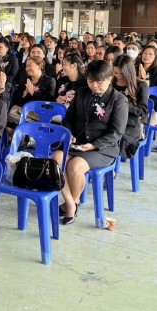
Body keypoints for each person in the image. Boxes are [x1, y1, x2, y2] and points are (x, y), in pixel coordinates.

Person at [55, 60, 128, 224]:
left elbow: (117, 132)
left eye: (99, 81)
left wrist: (94, 145)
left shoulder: (119, 100)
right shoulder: (81, 93)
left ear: (110, 78)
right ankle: (71, 202)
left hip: (102, 149)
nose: (94, 85)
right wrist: (69, 133)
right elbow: (69, 118)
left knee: (74, 166)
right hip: (79, 143)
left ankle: (72, 204)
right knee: (56, 160)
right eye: (90, 81)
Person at [111, 56, 149, 159]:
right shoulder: (111, 84)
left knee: (115, 138)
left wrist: (124, 104)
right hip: (112, 120)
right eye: (116, 73)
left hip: (131, 124)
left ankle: (112, 163)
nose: (118, 76)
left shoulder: (141, 85)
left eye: (122, 74)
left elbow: (142, 111)